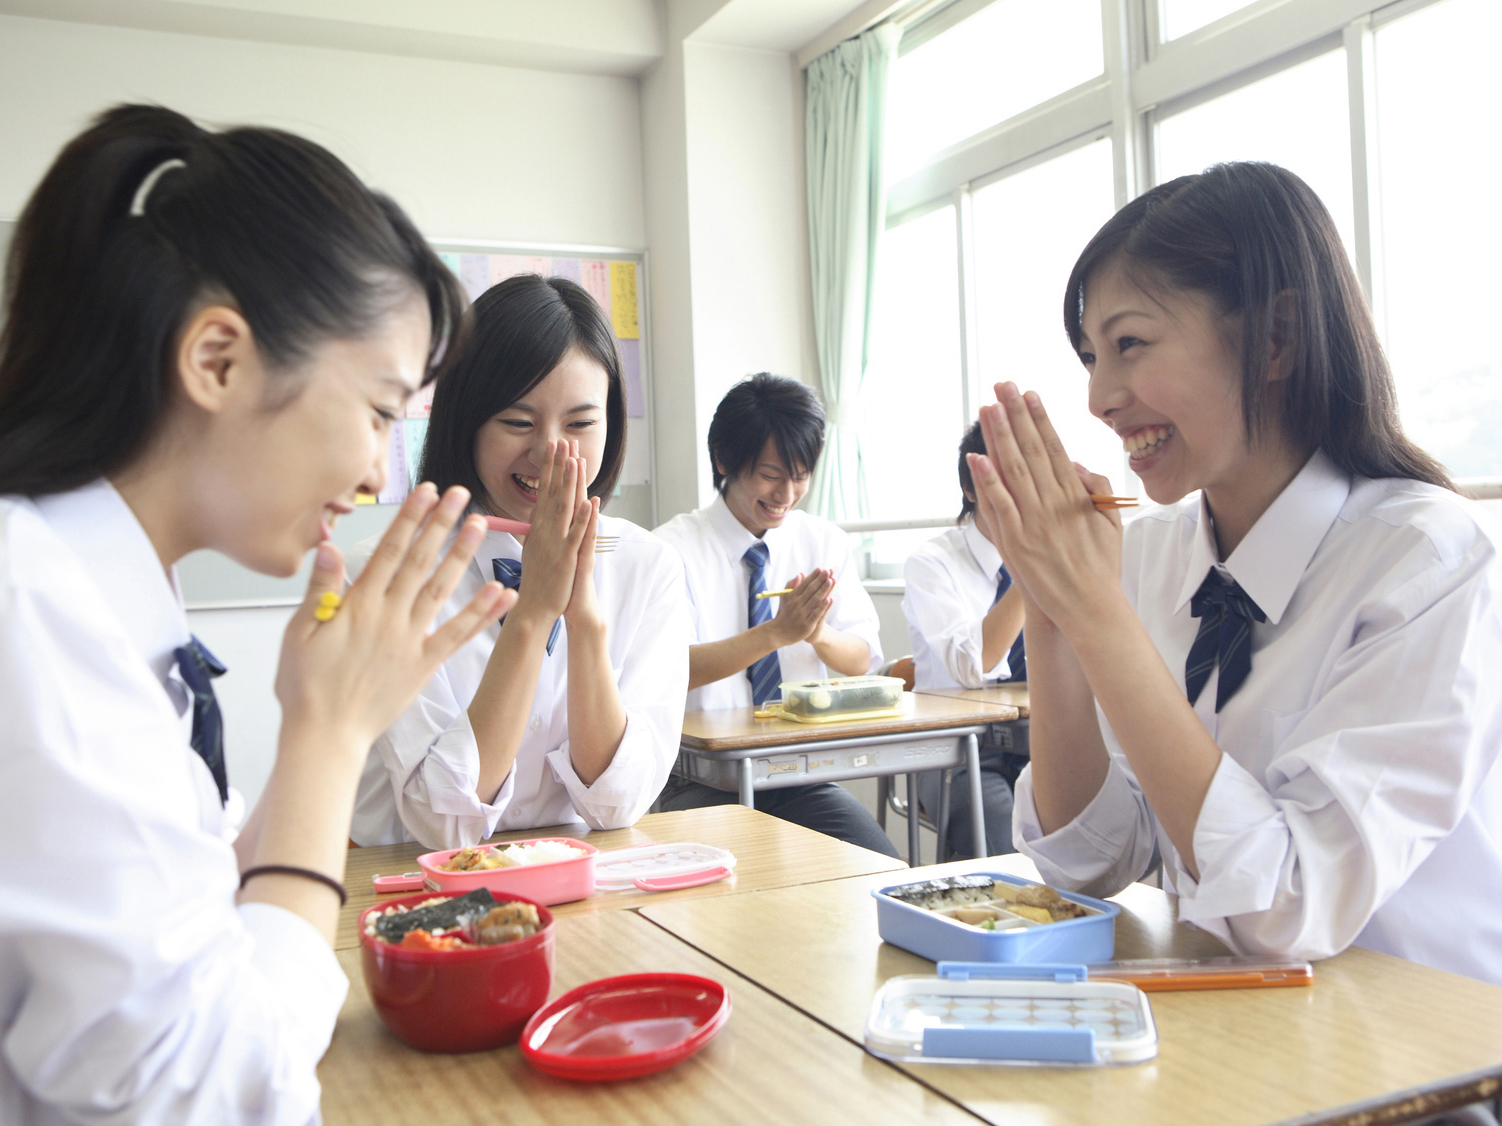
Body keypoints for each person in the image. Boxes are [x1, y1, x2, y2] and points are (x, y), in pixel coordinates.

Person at [0, 105, 512, 1121]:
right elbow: (208, 1091)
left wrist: (323, 707)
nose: (378, 476)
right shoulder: (32, 606)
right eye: (378, 411)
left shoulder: (97, 591)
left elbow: (198, 909)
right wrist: (330, 735)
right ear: (217, 360)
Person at [966, 161, 1502, 982]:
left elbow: (1287, 905)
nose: (1099, 397)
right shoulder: (1153, 551)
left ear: (1275, 338)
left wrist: (1097, 612)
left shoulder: (1428, 559)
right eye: (1090, 356)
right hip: (1229, 1014)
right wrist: (1051, 601)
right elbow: (1091, 859)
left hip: (1418, 1037)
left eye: (1130, 344)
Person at [349, 274, 691, 848]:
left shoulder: (648, 565)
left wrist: (584, 620)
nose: (549, 451)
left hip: (580, 876)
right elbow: (444, 823)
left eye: (580, 424)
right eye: (518, 422)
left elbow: (619, 805)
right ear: (466, 420)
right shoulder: (388, 574)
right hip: (407, 881)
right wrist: (532, 614)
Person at [654, 373, 899, 858]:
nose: (786, 493)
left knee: (881, 867)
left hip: (800, 776)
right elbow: (670, 670)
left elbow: (862, 660)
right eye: (771, 474)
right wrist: (776, 633)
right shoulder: (670, 550)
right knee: (751, 884)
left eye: (801, 475)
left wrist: (817, 633)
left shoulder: (822, 541)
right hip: (701, 780)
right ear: (724, 459)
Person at [901, 420, 1026, 857]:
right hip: (954, 749)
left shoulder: (1063, 557)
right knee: (1000, 839)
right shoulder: (931, 563)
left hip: (1043, 743)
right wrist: (1032, 571)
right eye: (1001, 482)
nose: (1017, 498)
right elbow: (973, 666)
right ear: (970, 488)